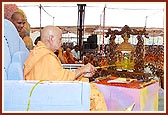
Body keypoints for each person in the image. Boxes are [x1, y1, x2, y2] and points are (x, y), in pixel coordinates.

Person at [24, 25, 107, 111]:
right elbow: (60, 79)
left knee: (87, 84)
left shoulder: (43, 53)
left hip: (50, 91)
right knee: (93, 94)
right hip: (48, 97)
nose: (62, 42)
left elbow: (58, 76)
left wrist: (82, 74)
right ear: (51, 38)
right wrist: (81, 70)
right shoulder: (45, 56)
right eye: (60, 39)